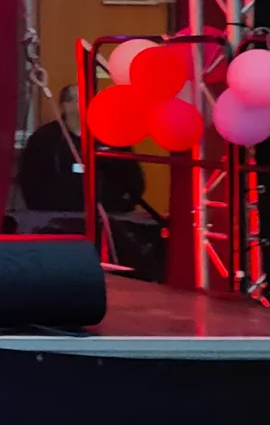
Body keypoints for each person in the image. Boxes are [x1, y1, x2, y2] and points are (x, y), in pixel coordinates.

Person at [16, 80, 162, 279]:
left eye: (90, 99)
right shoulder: (44, 139)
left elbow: (134, 179)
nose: (85, 104)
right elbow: (30, 180)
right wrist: (45, 212)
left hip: (107, 220)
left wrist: (121, 205)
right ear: (64, 106)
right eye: (77, 99)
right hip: (57, 223)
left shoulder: (111, 136)